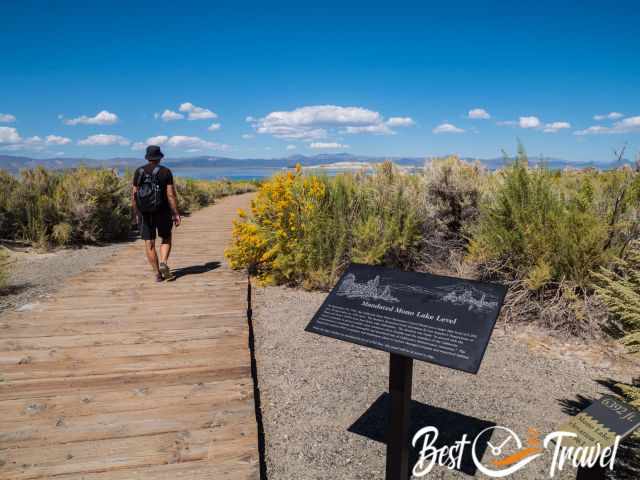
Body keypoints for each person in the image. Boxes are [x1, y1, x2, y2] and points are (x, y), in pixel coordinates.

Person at [132, 145, 181, 282]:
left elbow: (134, 194)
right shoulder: (166, 172)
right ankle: (163, 262)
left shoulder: (139, 171)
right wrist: (176, 213)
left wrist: (136, 213)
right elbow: (170, 195)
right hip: (163, 211)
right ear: (159, 157)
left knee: (150, 243)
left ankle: (157, 274)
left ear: (147, 157)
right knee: (166, 238)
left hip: (145, 212)